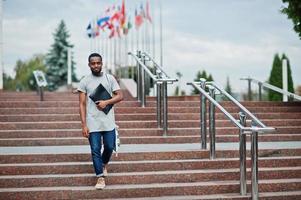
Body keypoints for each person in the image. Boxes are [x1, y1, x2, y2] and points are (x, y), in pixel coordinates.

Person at [77, 53, 123, 190]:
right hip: (92, 122)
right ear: (89, 65)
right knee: (95, 150)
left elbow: (120, 96)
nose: (96, 65)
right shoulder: (84, 81)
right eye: (93, 63)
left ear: (102, 63)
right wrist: (84, 124)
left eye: (98, 63)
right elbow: (81, 104)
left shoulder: (110, 78)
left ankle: (103, 164)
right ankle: (100, 177)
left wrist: (106, 102)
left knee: (109, 147)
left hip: (108, 121)